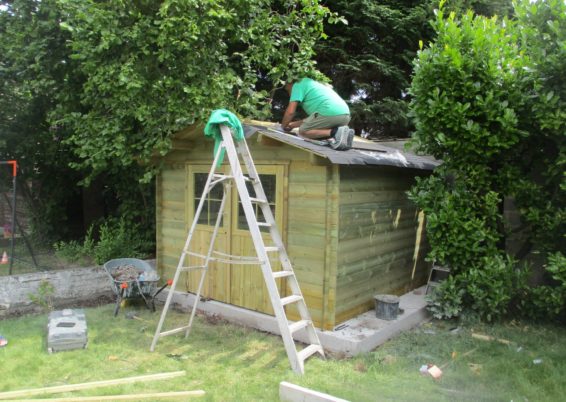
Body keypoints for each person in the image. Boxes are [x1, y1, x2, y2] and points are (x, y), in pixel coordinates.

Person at [281, 77, 354, 150]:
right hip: (345, 115)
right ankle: (343, 135)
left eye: (288, 90)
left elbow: (290, 112)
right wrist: (291, 125)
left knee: (303, 131)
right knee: (314, 133)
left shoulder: (297, 84)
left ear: (290, 83)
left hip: (329, 111)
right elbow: (314, 120)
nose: (289, 94)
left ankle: (335, 132)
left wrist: (283, 127)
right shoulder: (313, 84)